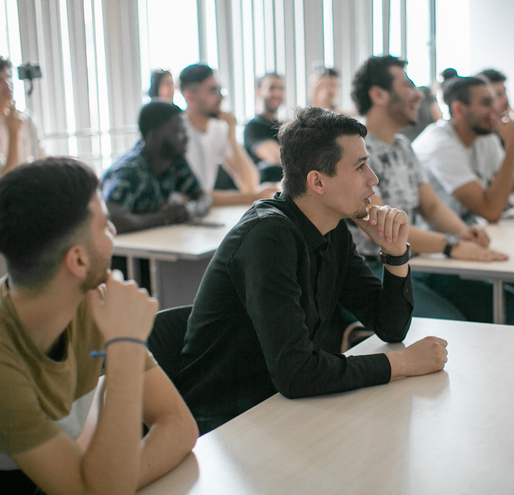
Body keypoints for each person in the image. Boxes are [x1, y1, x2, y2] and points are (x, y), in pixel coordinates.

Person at [176, 107, 449, 435]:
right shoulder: (267, 237)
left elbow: (390, 327)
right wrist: (403, 364)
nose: (372, 179)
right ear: (317, 181)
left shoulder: (331, 228)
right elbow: (297, 372)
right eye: (361, 166)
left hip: (283, 409)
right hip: (225, 424)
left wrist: (395, 254)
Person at [0, 158, 197, 494]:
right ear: (77, 259)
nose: (114, 232)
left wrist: (114, 479)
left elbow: (179, 424)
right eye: (106, 225)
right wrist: (126, 347)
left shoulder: (90, 304)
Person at [351, 56, 514, 325]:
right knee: (452, 326)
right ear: (378, 94)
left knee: (507, 303)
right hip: (374, 269)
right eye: (408, 86)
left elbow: (431, 207)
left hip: (412, 262)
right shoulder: (355, 151)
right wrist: (450, 244)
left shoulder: (402, 146)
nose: (418, 95)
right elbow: (383, 229)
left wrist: (463, 233)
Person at [413, 72, 514, 224]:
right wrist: (512, 146)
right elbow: (490, 211)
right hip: (432, 243)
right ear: (459, 109)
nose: (496, 110)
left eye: (494, 101)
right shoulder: (440, 146)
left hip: (468, 230)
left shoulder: (483, 135)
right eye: (486, 103)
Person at [101, 101, 211, 234]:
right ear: (153, 136)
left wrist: (191, 210)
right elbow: (114, 220)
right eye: (178, 131)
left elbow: (202, 196)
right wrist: (165, 218)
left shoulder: (175, 162)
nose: (186, 138)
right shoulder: (130, 171)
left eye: (184, 131)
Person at [179, 64, 277, 205]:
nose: (221, 97)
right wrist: (249, 197)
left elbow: (250, 184)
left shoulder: (218, 129)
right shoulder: (175, 132)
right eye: (213, 91)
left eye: (220, 90)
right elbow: (191, 195)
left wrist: (231, 135)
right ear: (190, 97)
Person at [0, 56, 44, 175]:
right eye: (0, 80)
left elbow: (42, 161)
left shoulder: (28, 119)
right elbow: (4, 179)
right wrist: (13, 133)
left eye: (8, 77)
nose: (7, 84)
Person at [243, 72, 285, 183]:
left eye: (281, 88)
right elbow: (276, 157)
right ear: (258, 92)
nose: (277, 93)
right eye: (271, 88)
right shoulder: (253, 127)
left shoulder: (286, 126)